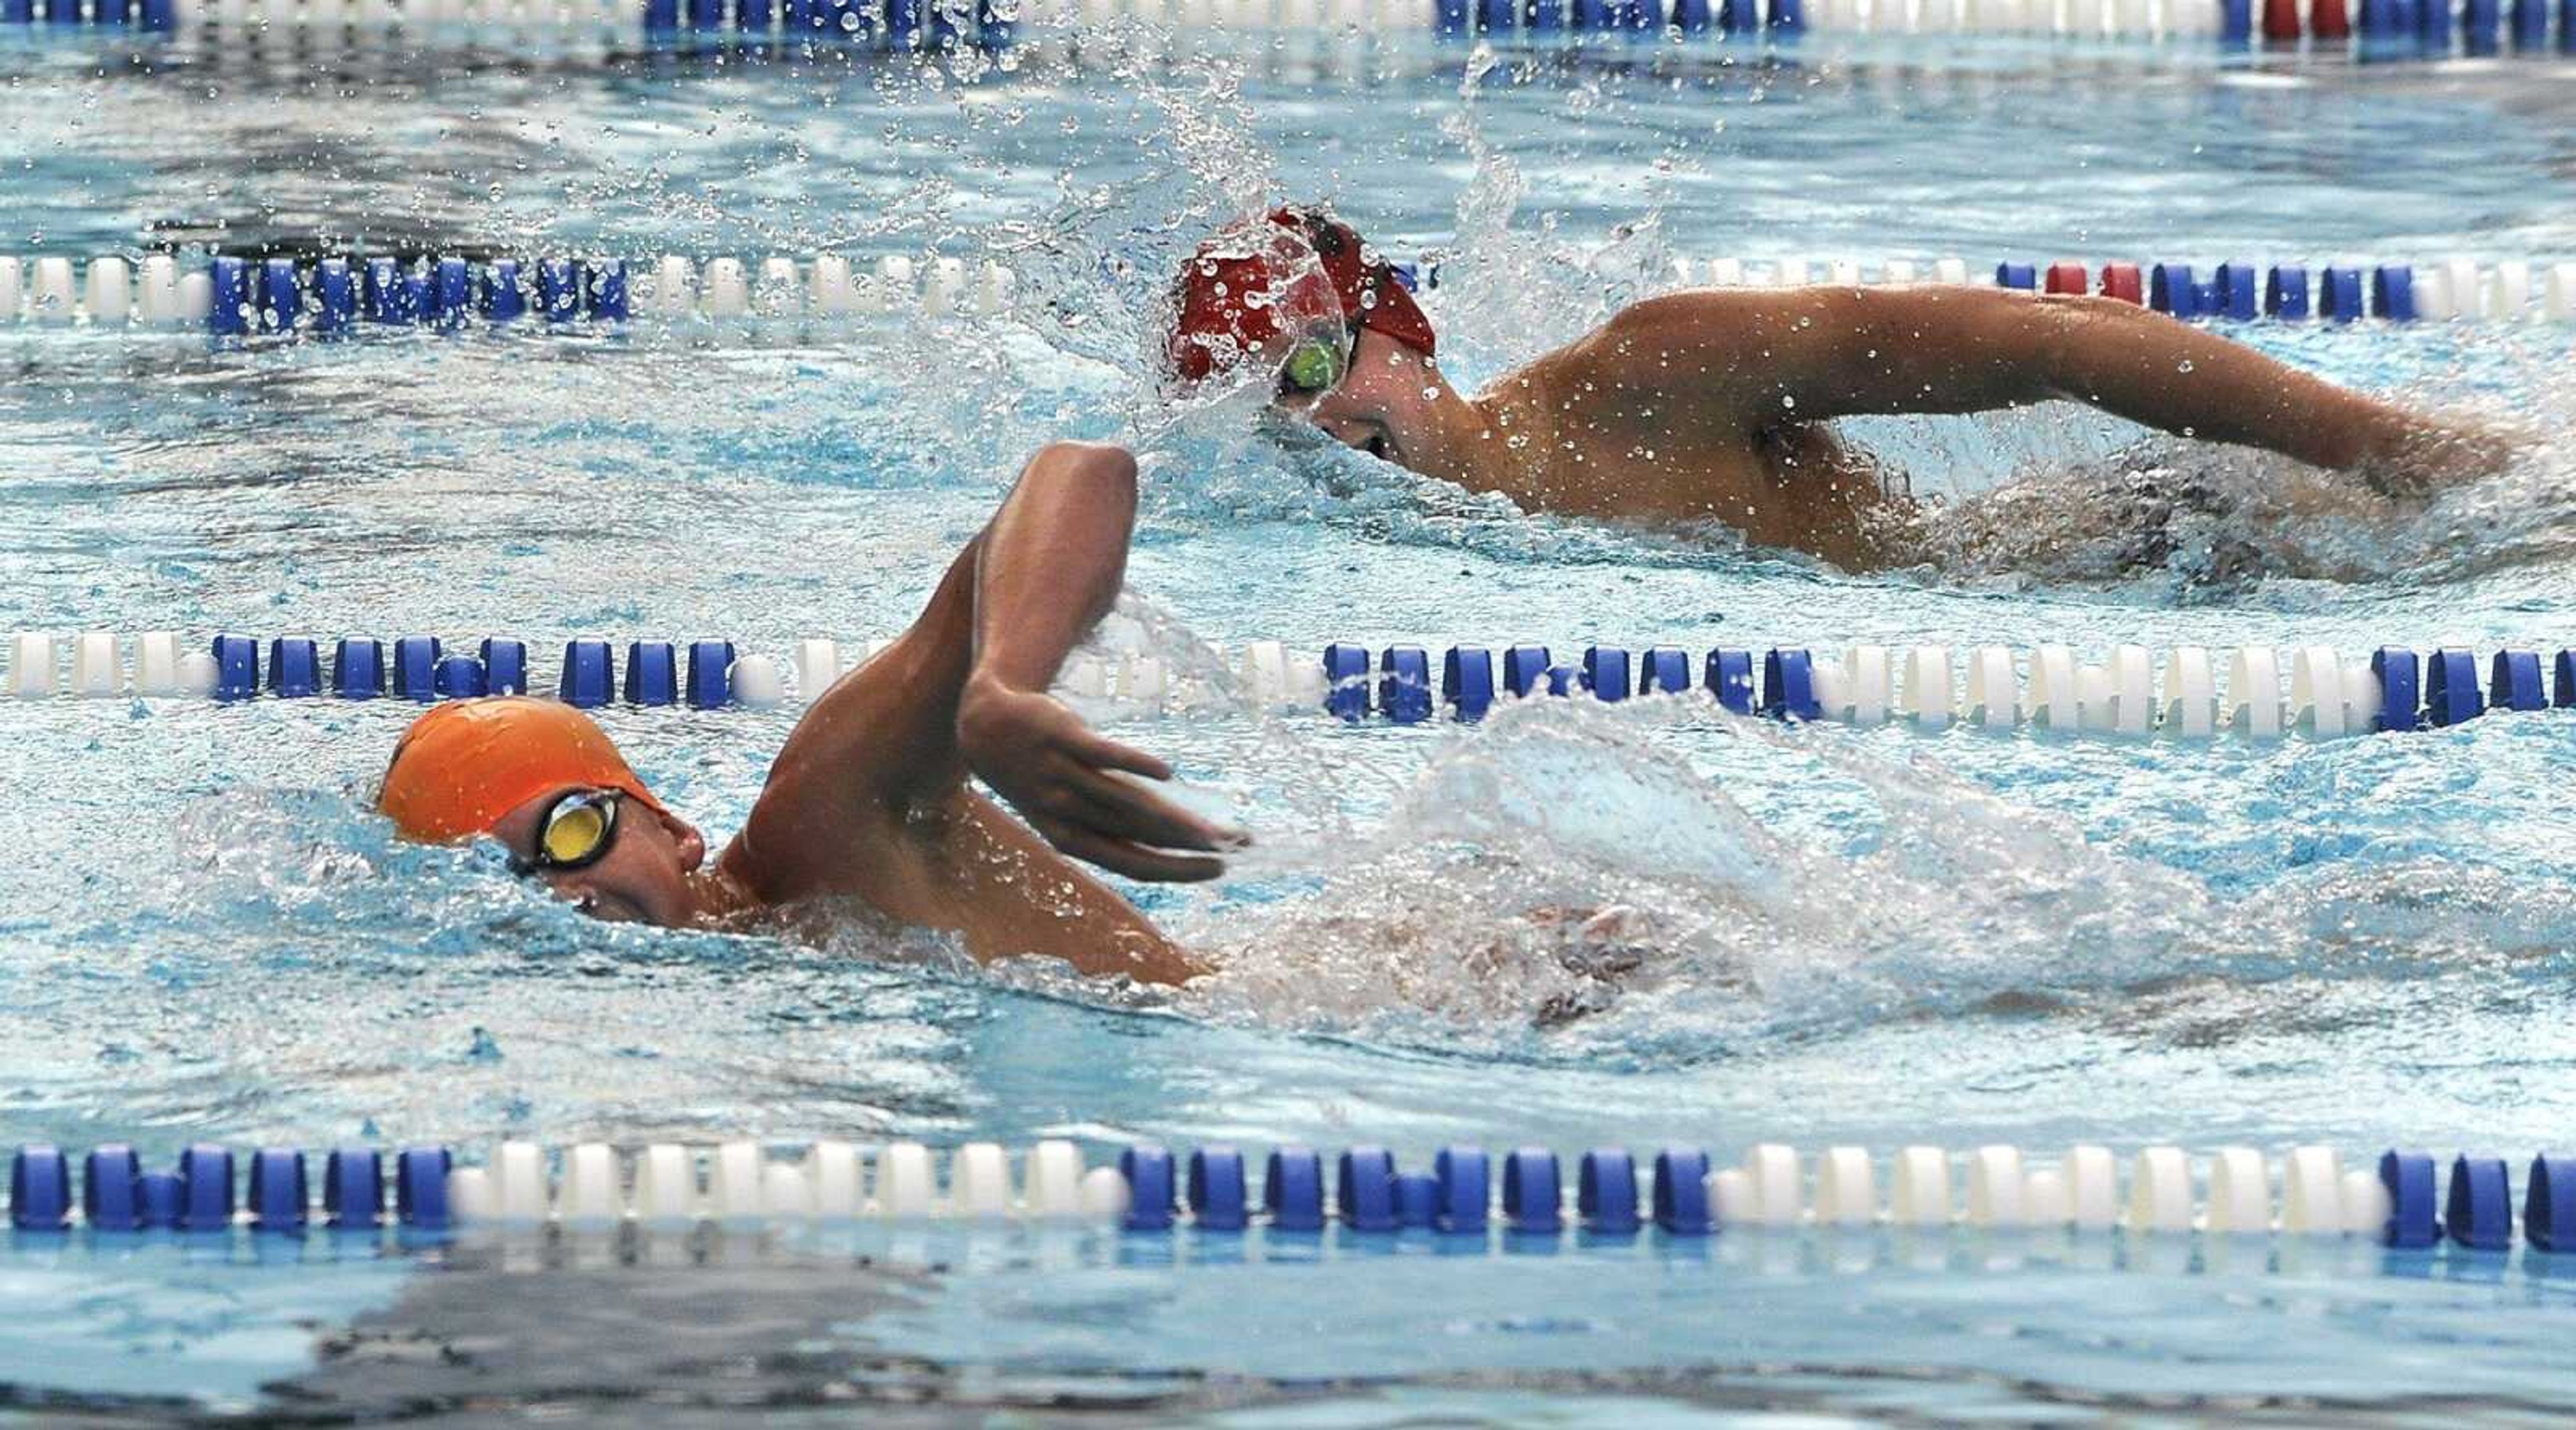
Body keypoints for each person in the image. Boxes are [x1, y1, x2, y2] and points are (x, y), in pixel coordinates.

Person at [1165, 207, 2516, 570]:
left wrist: (2393, 445)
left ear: (1397, 326)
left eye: (1318, 367)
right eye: (1269, 408)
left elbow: (2049, 336)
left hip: (2149, 545)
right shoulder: (1377, 563)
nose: (1319, 425)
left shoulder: (1645, 377)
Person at [374, 441, 1235, 987]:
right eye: (507, 882)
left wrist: (1002, 686)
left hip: (1275, 1014)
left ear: (673, 828)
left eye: (569, 832)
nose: (564, 894)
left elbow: (1083, 470)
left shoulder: (822, 826)